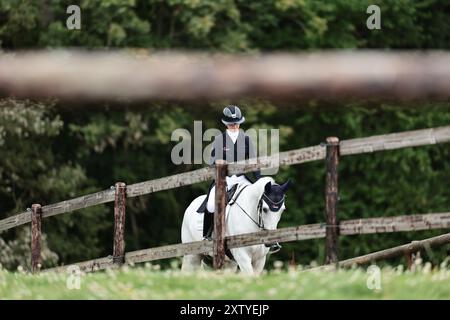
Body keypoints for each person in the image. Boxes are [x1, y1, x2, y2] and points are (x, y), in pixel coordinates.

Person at [202, 105, 281, 253]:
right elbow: (212, 162)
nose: (234, 126)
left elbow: (253, 161)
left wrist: (259, 182)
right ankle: (207, 237)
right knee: (211, 205)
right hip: (223, 180)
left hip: (242, 179)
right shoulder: (219, 140)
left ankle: (269, 238)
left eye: (237, 123)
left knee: (261, 201)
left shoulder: (246, 139)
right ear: (226, 124)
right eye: (232, 124)